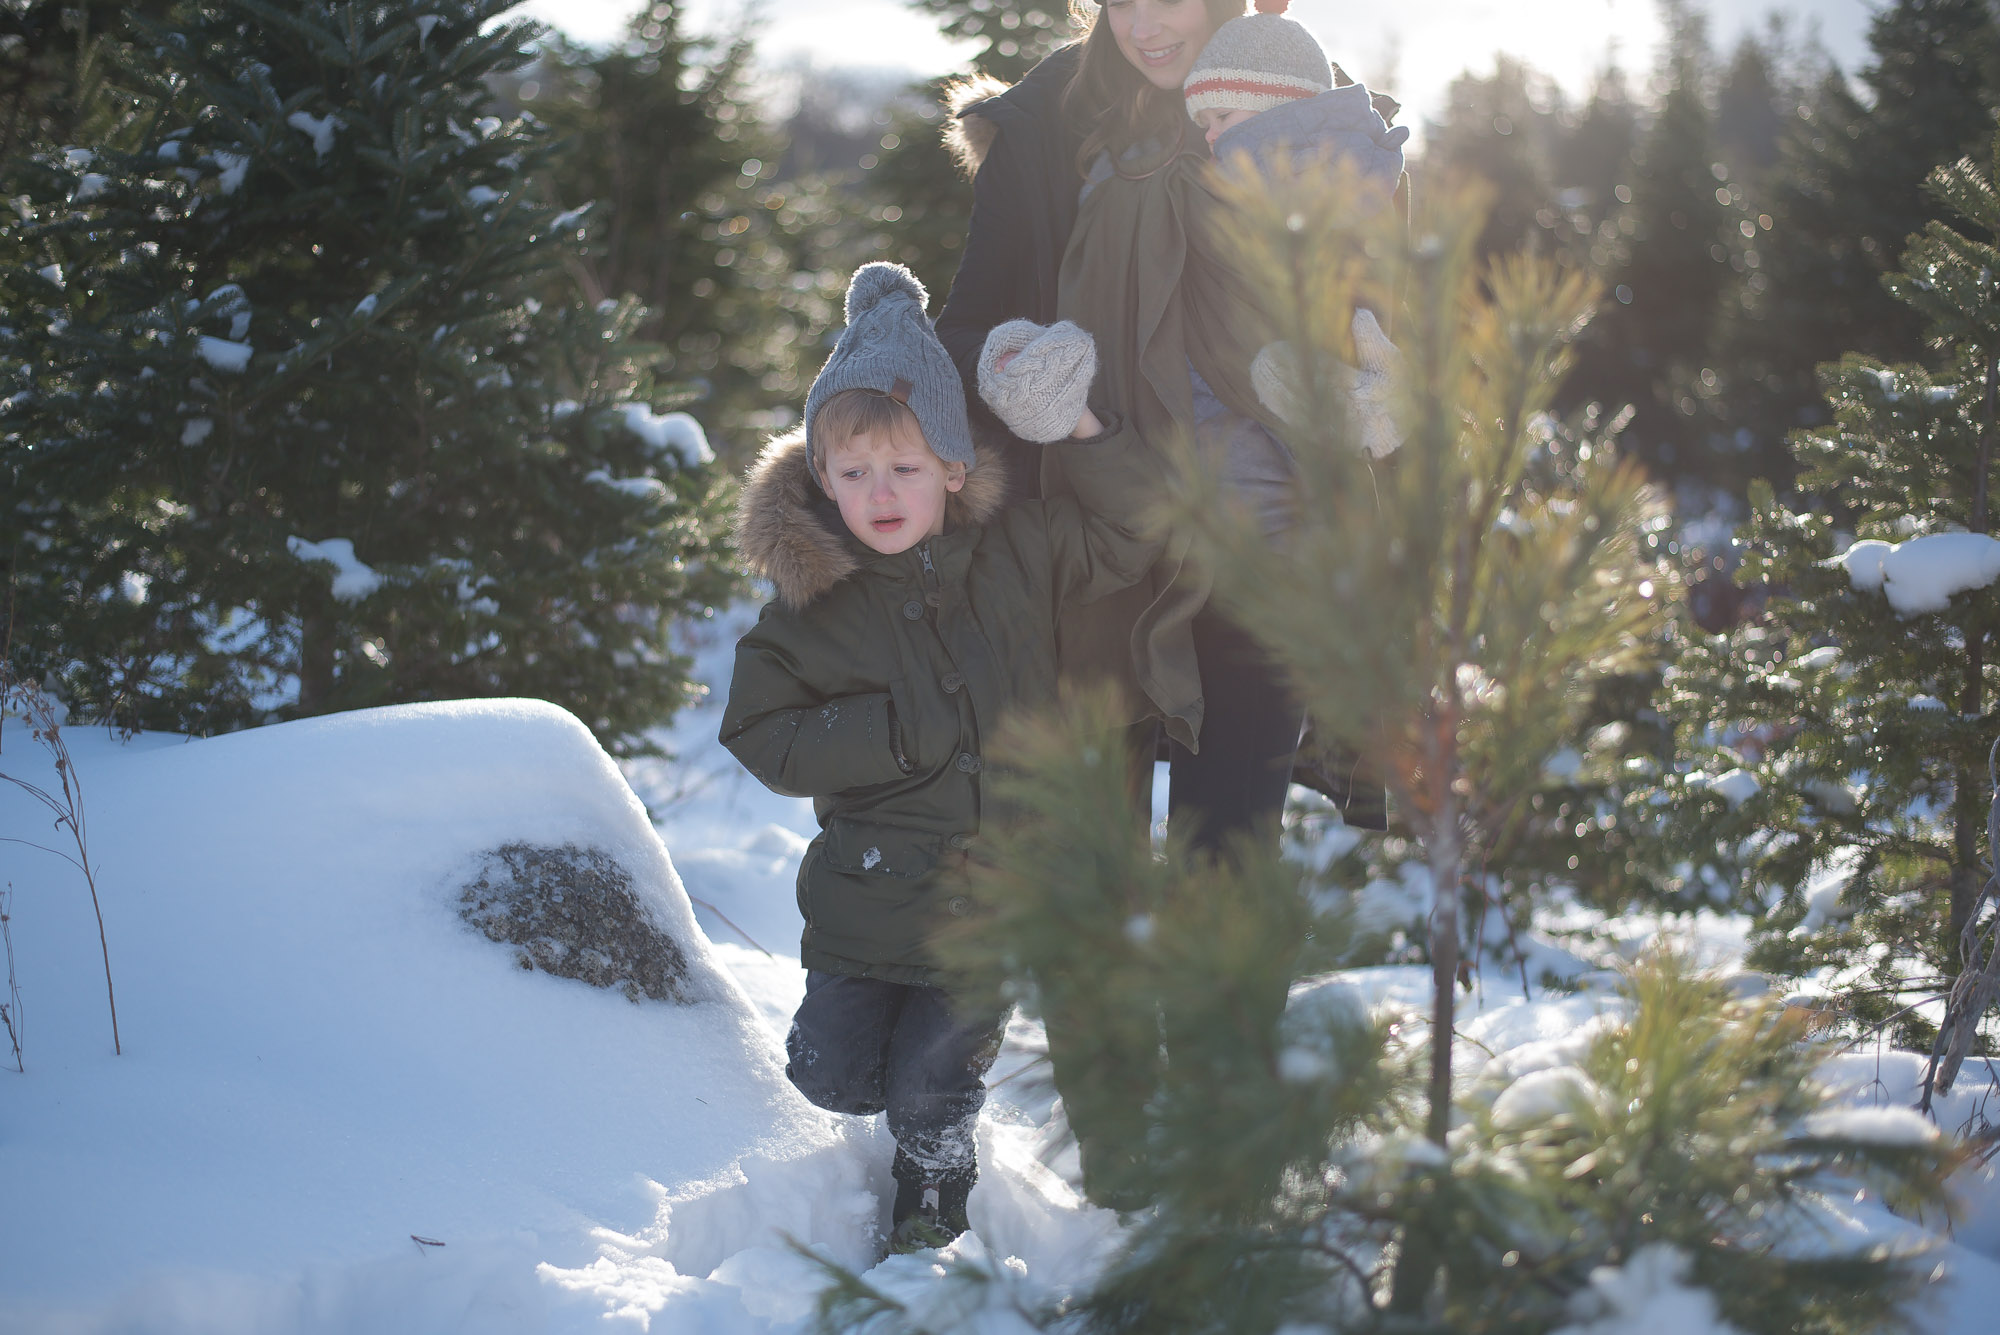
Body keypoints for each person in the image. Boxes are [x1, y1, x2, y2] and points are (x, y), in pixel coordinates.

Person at [719, 261, 1157, 1252]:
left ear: (954, 468)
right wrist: (885, 735)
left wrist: (1082, 429)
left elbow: (1129, 531)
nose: (879, 492)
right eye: (853, 471)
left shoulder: (1018, 553)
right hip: (868, 887)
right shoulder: (815, 602)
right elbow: (758, 727)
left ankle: (934, 1181)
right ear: (820, 478)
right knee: (830, 1072)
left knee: (930, 1077)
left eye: (905, 468)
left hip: (990, 891)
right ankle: (893, 1113)